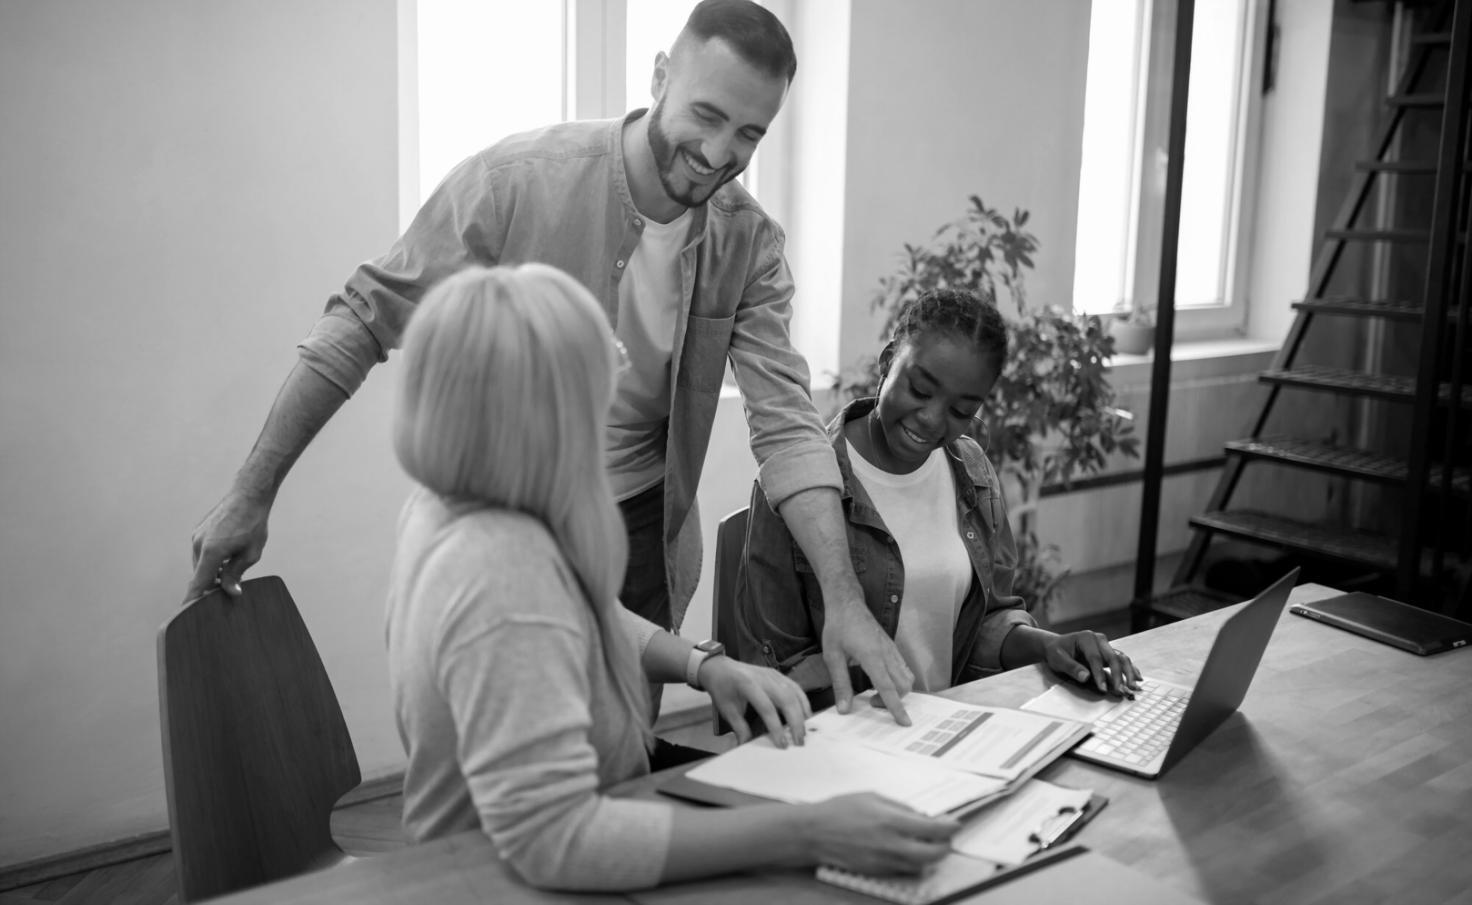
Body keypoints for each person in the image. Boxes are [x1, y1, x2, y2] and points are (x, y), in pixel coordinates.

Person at [187, 0, 914, 721]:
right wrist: (253, 492)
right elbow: (364, 318)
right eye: (708, 116)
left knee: (622, 754)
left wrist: (843, 600)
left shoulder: (749, 243)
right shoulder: (516, 182)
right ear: (660, 77)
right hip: (510, 515)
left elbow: (786, 422)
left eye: (750, 134)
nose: (722, 153)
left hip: (641, 531)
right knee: (515, 780)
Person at [385, 263, 957, 891]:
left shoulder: (454, 503)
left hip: (586, 802)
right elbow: (556, 840)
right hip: (495, 879)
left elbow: (574, 616)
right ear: (541, 423)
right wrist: (810, 831)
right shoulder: (502, 566)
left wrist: (702, 666)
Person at [737, 288, 1143, 698]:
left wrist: (1051, 644)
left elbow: (985, 621)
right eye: (919, 389)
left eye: (961, 411)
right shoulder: (802, 483)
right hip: (844, 739)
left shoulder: (973, 472)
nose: (932, 420)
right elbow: (779, 664)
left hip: (942, 732)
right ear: (887, 360)